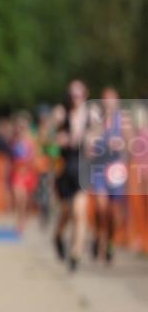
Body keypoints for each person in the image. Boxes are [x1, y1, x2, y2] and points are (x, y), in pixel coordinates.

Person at [53, 80, 90, 272]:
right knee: (67, 212)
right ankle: (58, 236)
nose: (76, 99)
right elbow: (47, 139)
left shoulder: (91, 117)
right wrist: (59, 138)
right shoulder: (62, 115)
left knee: (80, 213)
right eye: (73, 95)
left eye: (79, 95)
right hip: (65, 170)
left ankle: (76, 253)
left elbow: (98, 140)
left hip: (82, 170)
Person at [89, 87, 129, 264]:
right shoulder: (97, 121)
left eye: (112, 100)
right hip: (100, 168)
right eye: (106, 100)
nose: (109, 103)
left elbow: (131, 143)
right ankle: (98, 236)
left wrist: (121, 144)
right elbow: (89, 143)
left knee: (113, 212)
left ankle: (111, 241)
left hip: (116, 170)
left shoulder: (124, 120)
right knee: (100, 208)